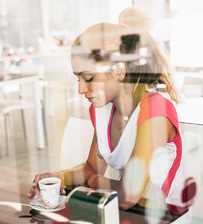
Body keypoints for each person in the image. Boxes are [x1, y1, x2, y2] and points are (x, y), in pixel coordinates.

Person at [28, 12, 185, 213]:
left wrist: (92, 180)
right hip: (128, 214)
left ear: (119, 71)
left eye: (89, 77)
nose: (81, 89)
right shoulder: (101, 110)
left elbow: (129, 195)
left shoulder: (155, 111)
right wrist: (57, 176)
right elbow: (92, 167)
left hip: (166, 219)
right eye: (78, 79)